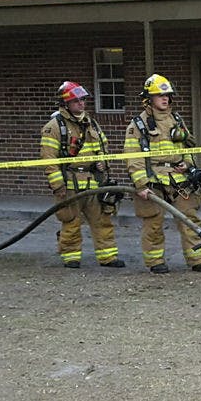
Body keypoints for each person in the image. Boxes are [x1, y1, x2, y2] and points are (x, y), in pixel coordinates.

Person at [123, 74, 201, 274]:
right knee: (153, 222)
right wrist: (141, 185)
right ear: (148, 98)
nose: (165, 99)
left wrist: (187, 164)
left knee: (190, 218)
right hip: (153, 180)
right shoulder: (138, 125)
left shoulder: (177, 120)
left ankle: (197, 259)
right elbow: (132, 157)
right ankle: (155, 262)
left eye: (167, 95)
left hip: (179, 179)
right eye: (160, 95)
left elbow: (188, 147)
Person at [40, 81, 125, 269]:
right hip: (69, 183)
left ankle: (108, 257)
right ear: (65, 104)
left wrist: (104, 163)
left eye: (82, 100)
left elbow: (103, 147)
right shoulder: (54, 127)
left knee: (102, 220)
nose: (81, 104)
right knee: (71, 221)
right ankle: (71, 257)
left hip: (93, 180)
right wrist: (58, 185)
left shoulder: (91, 123)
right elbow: (49, 158)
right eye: (76, 100)